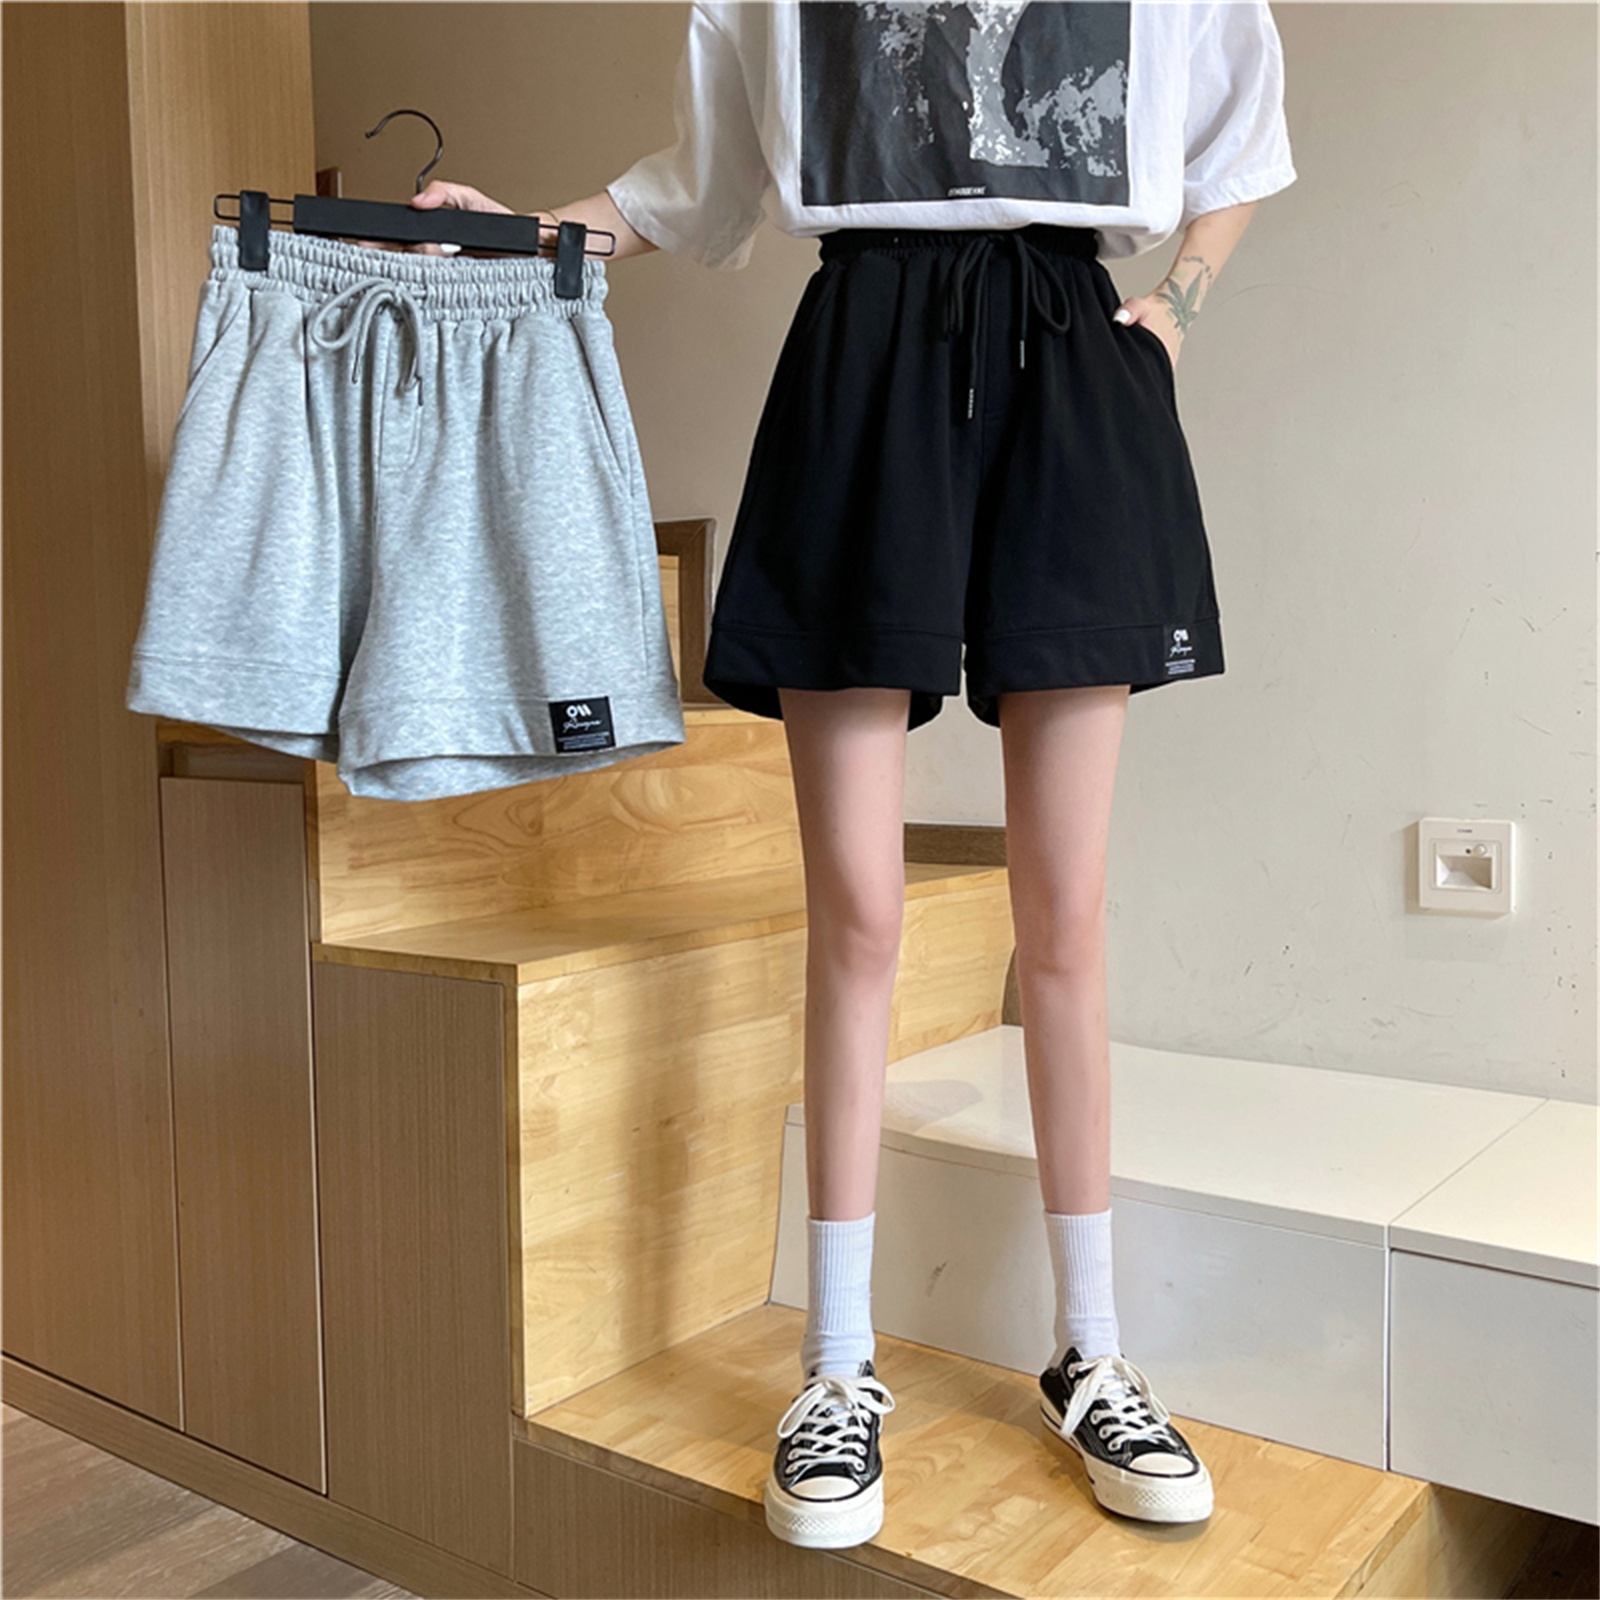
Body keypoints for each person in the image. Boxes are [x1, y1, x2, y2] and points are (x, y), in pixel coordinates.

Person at [405, 0, 1296, 1551]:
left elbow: (1240, 146)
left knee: (1064, 915)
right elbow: (695, 186)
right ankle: (834, 1364)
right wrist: (521, 233)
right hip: (861, 371)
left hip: (1073, 372)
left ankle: (1090, 1350)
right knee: (860, 914)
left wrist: (1177, 308)